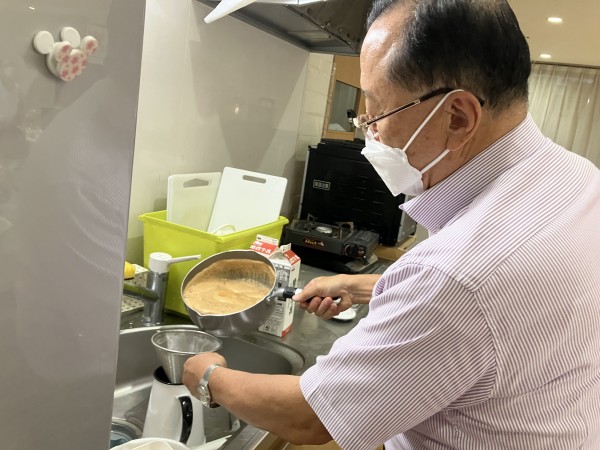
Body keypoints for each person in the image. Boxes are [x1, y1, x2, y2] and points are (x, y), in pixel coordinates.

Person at [183, 0, 600, 448]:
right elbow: (506, 308)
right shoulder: (575, 177)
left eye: (377, 113)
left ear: (457, 117)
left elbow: (312, 416)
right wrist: (368, 287)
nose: (371, 134)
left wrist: (207, 375)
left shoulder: (454, 276)